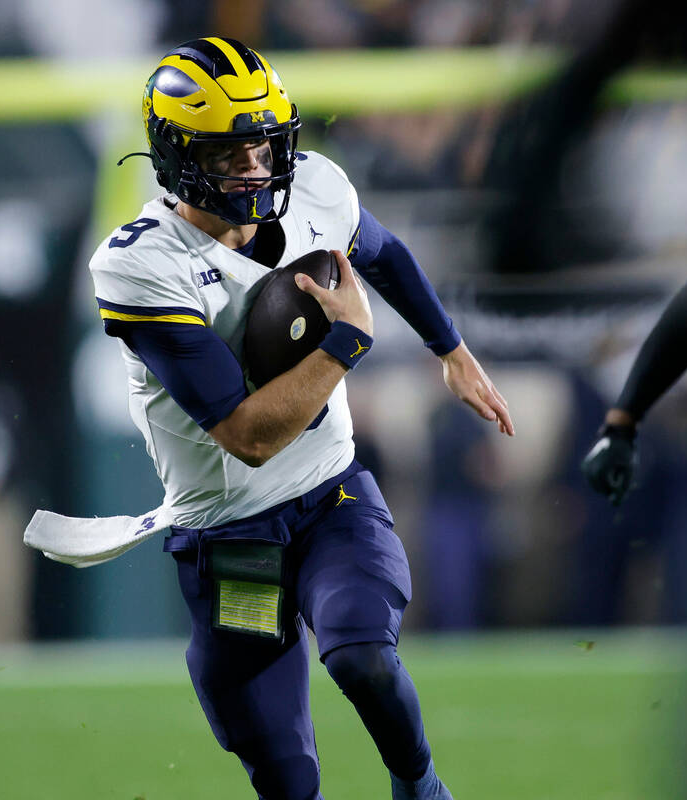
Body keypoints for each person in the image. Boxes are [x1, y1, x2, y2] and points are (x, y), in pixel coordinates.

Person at [91, 37, 513, 800]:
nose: (255, 167)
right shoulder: (142, 265)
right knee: (286, 776)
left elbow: (382, 252)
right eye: (229, 154)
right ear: (177, 155)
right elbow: (248, 437)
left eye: (263, 144)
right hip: (231, 533)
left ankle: (421, 788)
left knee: (363, 656)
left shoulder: (317, 188)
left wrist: (449, 346)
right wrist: (347, 343)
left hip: (329, 498)